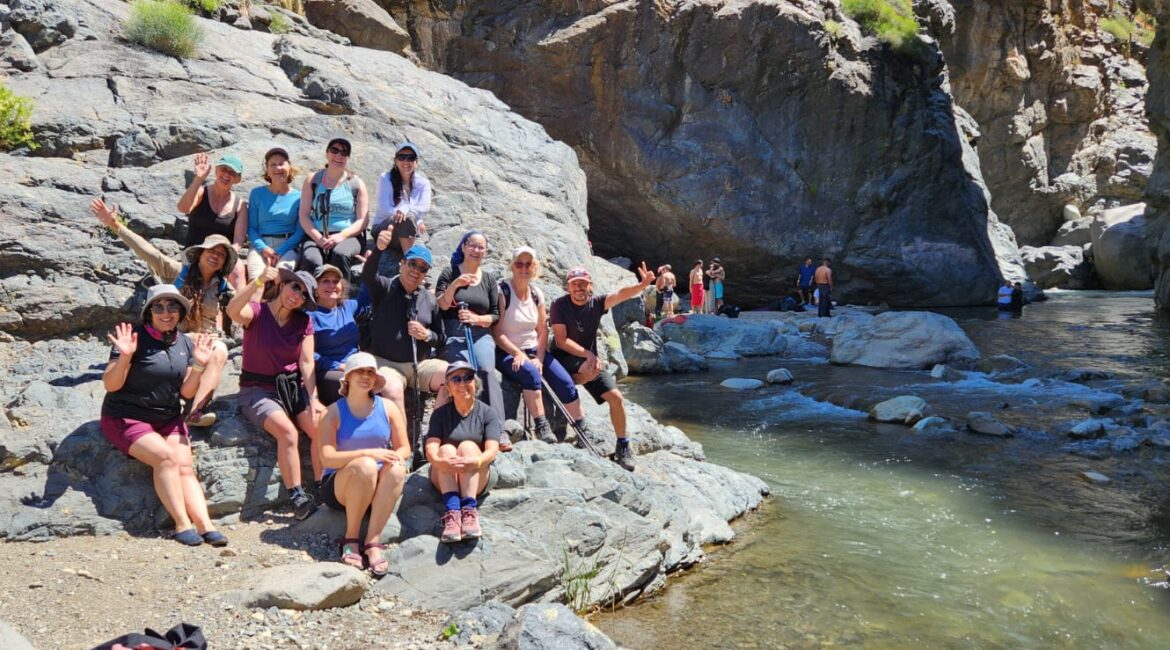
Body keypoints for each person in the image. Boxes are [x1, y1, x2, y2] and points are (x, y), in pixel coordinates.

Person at [100, 285, 227, 547]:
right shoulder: (133, 339)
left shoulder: (182, 342)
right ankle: (182, 524)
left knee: (184, 465)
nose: (166, 313)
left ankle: (206, 526)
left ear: (180, 312)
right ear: (149, 312)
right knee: (166, 458)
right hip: (126, 416)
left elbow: (186, 390)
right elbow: (111, 385)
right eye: (159, 307)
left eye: (172, 307)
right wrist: (125, 358)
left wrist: (200, 365)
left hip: (167, 416)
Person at [92, 198, 236, 428]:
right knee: (210, 349)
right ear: (200, 253)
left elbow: (242, 305)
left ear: (224, 263)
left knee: (219, 351)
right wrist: (116, 225)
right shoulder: (178, 271)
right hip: (176, 338)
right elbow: (149, 253)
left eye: (222, 254)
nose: (216, 255)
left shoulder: (222, 287)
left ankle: (196, 411)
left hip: (207, 340)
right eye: (212, 250)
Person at [227, 265, 324, 520]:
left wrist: (314, 399)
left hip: (291, 388)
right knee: (288, 433)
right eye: (295, 287)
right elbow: (232, 310)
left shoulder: (304, 322)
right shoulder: (257, 313)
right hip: (257, 390)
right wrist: (256, 282)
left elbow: (306, 363)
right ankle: (297, 496)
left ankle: (324, 487)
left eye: (303, 294)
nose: (297, 295)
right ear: (283, 285)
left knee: (320, 429)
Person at [550, 264, 656, 472]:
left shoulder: (597, 303)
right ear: (568, 287)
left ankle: (623, 445)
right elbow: (561, 341)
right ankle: (571, 384)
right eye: (574, 285)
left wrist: (642, 285)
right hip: (564, 358)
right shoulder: (559, 305)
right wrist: (587, 353)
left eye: (583, 284)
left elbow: (621, 295)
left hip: (589, 360)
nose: (578, 288)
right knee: (587, 369)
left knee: (616, 398)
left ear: (590, 286)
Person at [317, 352, 409, 576]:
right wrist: (368, 453)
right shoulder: (332, 413)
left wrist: (394, 457)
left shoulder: (388, 407)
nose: (366, 376)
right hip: (341, 485)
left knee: (397, 468)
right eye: (360, 371)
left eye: (371, 372)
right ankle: (351, 538)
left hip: (377, 483)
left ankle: (372, 542)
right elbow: (327, 458)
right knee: (365, 465)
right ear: (347, 377)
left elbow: (404, 447)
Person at [492, 246, 582, 444]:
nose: (524, 268)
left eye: (528, 264)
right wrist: (518, 354)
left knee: (565, 382)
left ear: (534, 267)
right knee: (531, 374)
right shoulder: (502, 291)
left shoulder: (536, 293)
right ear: (512, 266)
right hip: (507, 351)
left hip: (534, 349)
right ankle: (542, 426)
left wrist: (539, 358)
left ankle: (582, 428)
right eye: (519, 264)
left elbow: (543, 330)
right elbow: (497, 333)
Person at [362, 237, 447, 423]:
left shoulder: (430, 300)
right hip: (386, 364)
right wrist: (379, 249)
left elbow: (441, 337)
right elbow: (368, 275)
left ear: (426, 274)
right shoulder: (384, 287)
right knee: (392, 389)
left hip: (420, 365)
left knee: (455, 377)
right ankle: (402, 447)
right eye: (412, 264)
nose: (416, 270)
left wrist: (427, 335)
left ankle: (436, 432)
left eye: (422, 268)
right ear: (401, 264)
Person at [436, 231, 505, 435]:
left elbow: (495, 314)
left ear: (485, 252)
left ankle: (497, 429)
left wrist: (477, 319)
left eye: (481, 247)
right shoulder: (450, 272)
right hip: (454, 332)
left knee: (486, 370)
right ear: (464, 247)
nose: (476, 250)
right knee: (465, 371)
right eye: (472, 245)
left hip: (480, 333)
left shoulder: (489, 279)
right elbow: (441, 304)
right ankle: (465, 425)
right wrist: (456, 284)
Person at [425, 360, 501, 544]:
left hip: (478, 473)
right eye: (456, 379)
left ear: (475, 383)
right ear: (448, 388)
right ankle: (452, 513)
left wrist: (475, 462)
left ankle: (469, 511)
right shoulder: (440, 414)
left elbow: (492, 450)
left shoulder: (488, 413)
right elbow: (431, 448)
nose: (462, 383)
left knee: (467, 447)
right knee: (446, 449)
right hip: (445, 474)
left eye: (468, 378)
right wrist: (440, 462)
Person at [309, 264, 384, 405]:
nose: (331, 285)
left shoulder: (347, 307)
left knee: (379, 382)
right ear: (315, 287)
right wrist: (337, 365)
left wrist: (371, 265)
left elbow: (367, 296)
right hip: (327, 371)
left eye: (335, 281)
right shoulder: (309, 316)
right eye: (325, 280)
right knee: (357, 384)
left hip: (354, 366)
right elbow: (307, 354)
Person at [298, 138, 370, 280]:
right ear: (327, 153)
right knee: (311, 258)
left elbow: (363, 220)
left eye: (344, 153)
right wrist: (318, 238)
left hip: (348, 235)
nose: (339, 156)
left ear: (348, 158)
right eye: (334, 150)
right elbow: (304, 215)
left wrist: (341, 236)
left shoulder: (356, 183)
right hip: (316, 234)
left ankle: (342, 298)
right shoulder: (313, 180)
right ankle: (310, 298)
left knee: (340, 254)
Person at [175, 152, 247, 287]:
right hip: (194, 253)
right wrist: (198, 179)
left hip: (219, 257)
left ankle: (240, 307)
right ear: (216, 170)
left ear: (237, 179)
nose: (227, 174)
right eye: (224, 169)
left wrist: (227, 259)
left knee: (238, 268)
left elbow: (238, 241)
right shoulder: (201, 192)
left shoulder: (240, 205)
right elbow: (183, 208)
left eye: (232, 173)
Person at [246, 147, 305, 280]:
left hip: (288, 245)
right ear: (267, 170)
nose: (278, 168)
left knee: (281, 275)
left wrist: (280, 251)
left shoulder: (300, 197)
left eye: (282, 163)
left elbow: (300, 231)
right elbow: (251, 227)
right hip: (261, 245)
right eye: (273, 164)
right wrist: (264, 249)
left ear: (289, 167)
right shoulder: (257, 194)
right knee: (257, 279)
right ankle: (253, 302)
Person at [374, 141, 432, 236]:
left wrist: (408, 210)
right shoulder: (385, 178)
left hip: (410, 227)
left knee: (421, 249)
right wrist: (415, 219)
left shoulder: (423, 183)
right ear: (396, 161)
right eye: (402, 157)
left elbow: (424, 207)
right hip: (383, 227)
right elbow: (384, 209)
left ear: (416, 162)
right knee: (407, 220)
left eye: (411, 158)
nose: (406, 161)